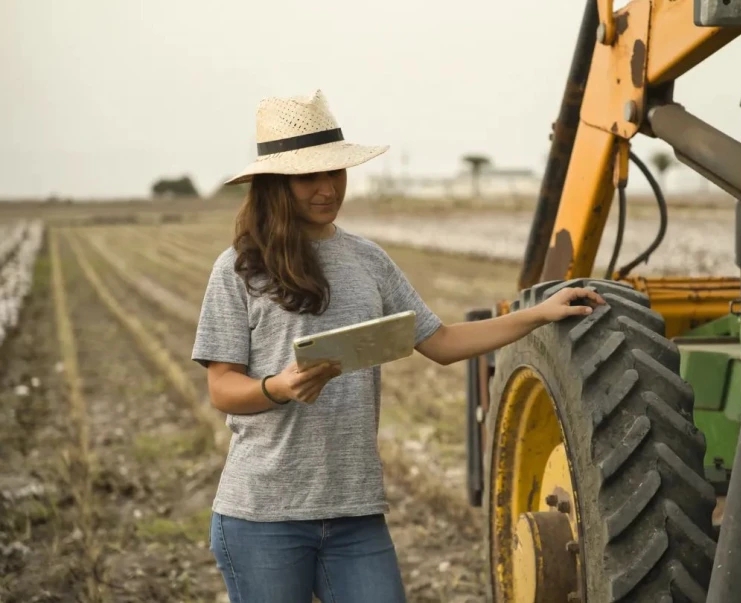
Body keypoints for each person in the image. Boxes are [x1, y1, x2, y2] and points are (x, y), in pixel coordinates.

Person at [191, 90, 604, 603]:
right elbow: (222, 388)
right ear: (277, 185)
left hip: (355, 514)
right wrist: (279, 387)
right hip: (262, 518)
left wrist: (540, 313)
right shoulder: (238, 270)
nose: (327, 189)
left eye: (335, 173)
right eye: (309, 177)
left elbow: (445, 342)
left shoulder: (368, 261)